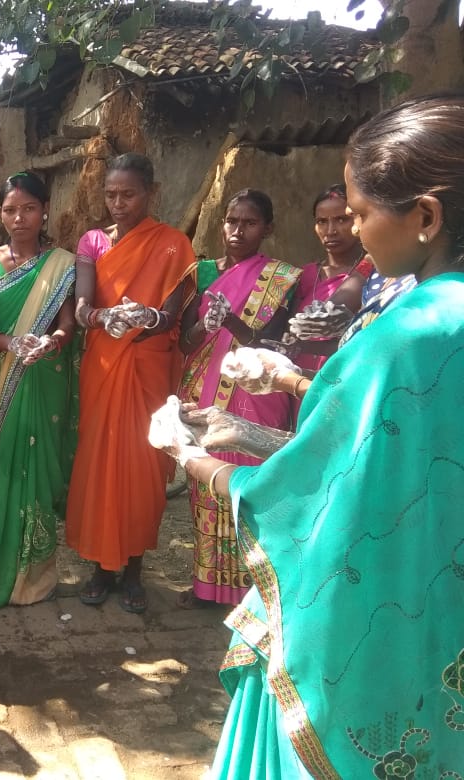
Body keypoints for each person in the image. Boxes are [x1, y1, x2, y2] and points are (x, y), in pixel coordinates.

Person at [154, 92, 464, 778]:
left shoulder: (402, 335)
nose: (350, 232)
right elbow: (389, 438)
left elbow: (302, 496)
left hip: (370, 634)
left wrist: (190, 454)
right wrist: (294, 388)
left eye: (358, 214)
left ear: (425, 217)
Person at [66, 153, 197, 613]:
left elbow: (173, 316)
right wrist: (104, 316)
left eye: (129, 194)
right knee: (100, 463)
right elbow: (82, 309)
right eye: (110, 194)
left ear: (150, 193)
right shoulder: (93, 242)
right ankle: (100, 568)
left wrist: (148, 316)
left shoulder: (173, 244)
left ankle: (136, 569)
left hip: (148, 367)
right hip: (104, 364)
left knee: (143, 467)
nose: (118, 203)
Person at [175, 189, 300, 610]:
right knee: (205, 483)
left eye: (249, 222)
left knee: (249, 485)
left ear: (268, 228)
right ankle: (207, 585)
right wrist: (206, 326)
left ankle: (252, 587)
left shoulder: (281, 278)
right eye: (231, 220)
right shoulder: (204, 273)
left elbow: (270, 343)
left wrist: (230, 319)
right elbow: (184, 341)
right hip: (203, 390)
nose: (237, 230)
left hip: (254, 396)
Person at [0, 172, 78, 608]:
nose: (19, 218)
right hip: (2, 378)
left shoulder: (63, 263)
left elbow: (69, 323)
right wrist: (9, 342)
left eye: (29, 208)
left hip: (45, 376)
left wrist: (52, 341)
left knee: (39, 475)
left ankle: (34, 578)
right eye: (10, 209)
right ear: (1, 213)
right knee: (6, 474)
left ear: (45, 209)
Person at [284, 184, 372, 372]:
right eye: (322, 221)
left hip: (346, 375)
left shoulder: (374, 272)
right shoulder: (304, 276)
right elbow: (289, 332)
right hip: (297, 379)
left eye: (341, 219)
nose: (330, 230)